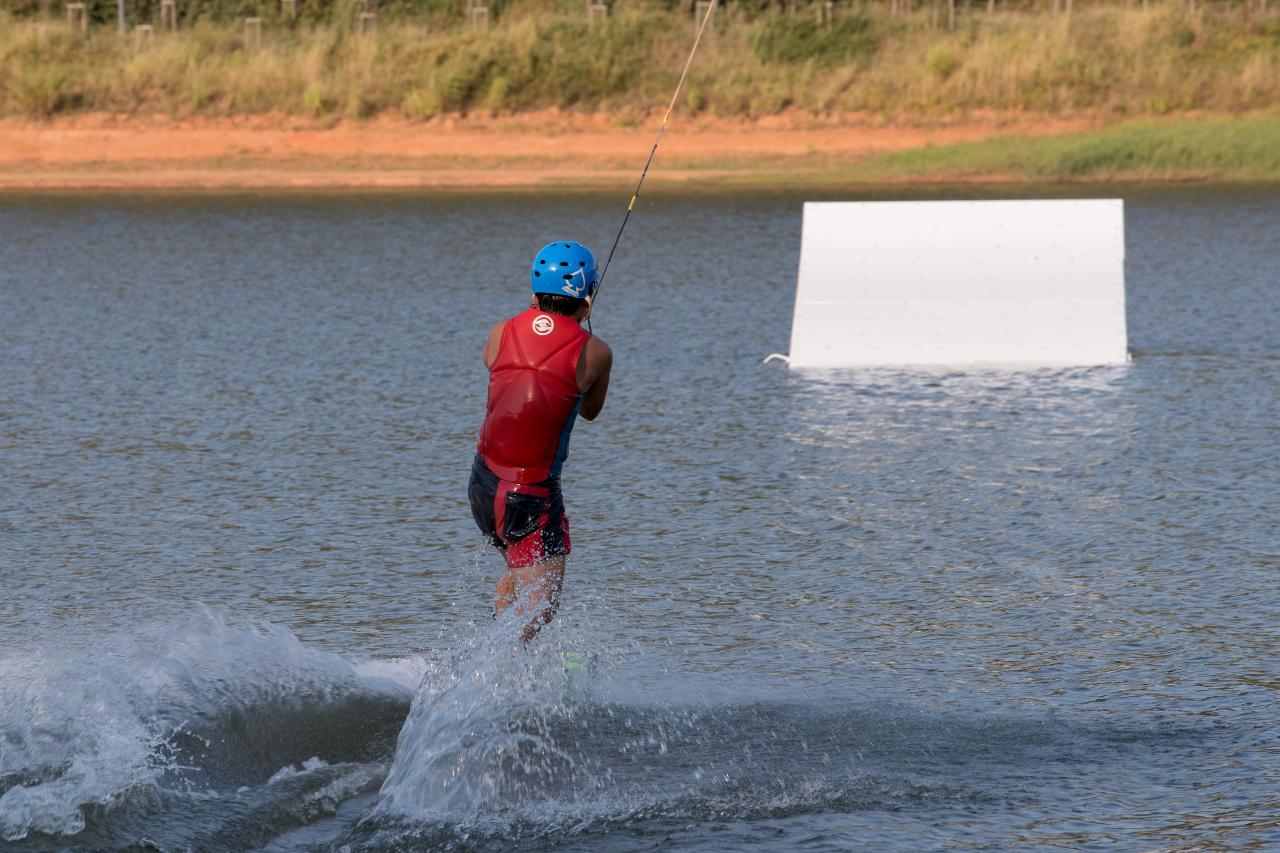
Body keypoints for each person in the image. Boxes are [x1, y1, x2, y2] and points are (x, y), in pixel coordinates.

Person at [468, 241, 613, 644]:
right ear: (587, 300)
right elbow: (590, 411)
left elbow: (497, 365)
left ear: (534, 294)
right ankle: (494, 677)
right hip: (530, 496)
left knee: (519, 570)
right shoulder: (596, 351)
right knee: (541, 603)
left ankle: (500, 654)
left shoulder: (500, 332)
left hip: (483, 485)